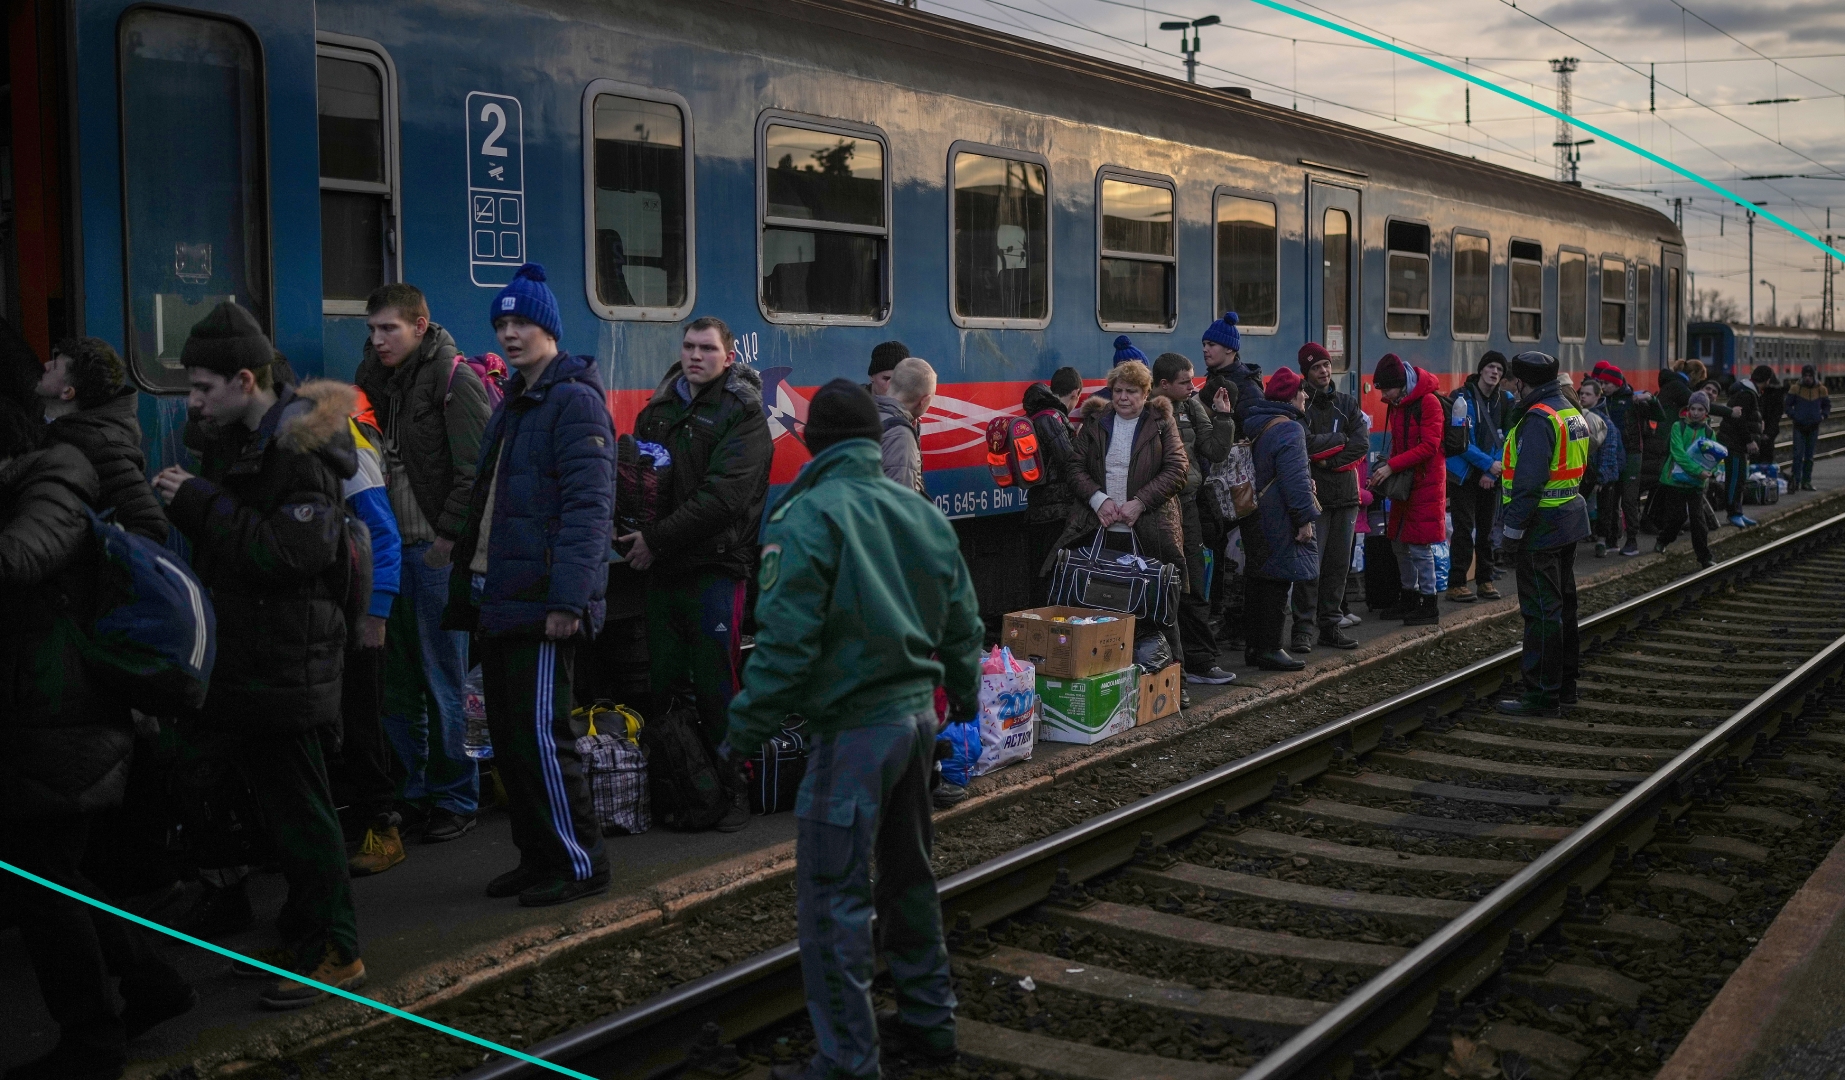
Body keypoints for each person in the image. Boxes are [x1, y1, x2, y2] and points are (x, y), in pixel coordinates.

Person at [722, 380, 982, 1080]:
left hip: (853, 730)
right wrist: (961, 697)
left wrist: (742, 735)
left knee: (833, 900)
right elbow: (963, 626)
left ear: (812, 441)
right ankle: (931, 1025)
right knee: (910, 880)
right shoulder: (918, 512)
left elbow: (784, 649)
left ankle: (846, 1062)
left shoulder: (806, 516)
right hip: (917, 723)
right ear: (873, 441)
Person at [151, 302, 364, 1008]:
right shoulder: (246, 440)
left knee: (302, 812)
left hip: (288, 660)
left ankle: (337, 950)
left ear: (246, 380)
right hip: (254, 656)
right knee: (270, 806)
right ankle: (304, 934)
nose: (193, 402)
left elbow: (288, 554)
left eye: (204, 388)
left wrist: (200, 503)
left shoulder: (299, 452)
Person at [0, 402, 196, 1078]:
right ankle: (150, 986)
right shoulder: (31, 477)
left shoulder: (52, 479)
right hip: (44, 708)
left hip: (61, 712)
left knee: (42, 883)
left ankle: (92, 1041)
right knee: (52, 876)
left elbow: (17, 561)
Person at [444, 262, 613, 906]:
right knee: (512, 743)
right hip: (501, 595)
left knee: (544, 738)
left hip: (544, 600)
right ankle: (538, 855)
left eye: (523, 322)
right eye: (502, 323)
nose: (510, 333)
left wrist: (569, 599)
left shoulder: (572, 400)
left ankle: (580, 864)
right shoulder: (515, 399)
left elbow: (588, 509)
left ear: (549, 328)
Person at [353, 283, 491, 850]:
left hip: (433, 555)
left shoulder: (455, 381)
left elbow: (474, 474)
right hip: (390, 554)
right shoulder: (372, 380)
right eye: (372, 330)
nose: (378, 340)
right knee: (398, 688)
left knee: (444, 683)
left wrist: (446, 543)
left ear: (420, 325)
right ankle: (411, 795)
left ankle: (456, 797)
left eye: (389, 329)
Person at [629, 316, 774, 832]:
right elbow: (642, 480)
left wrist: (654, 539)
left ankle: (734, 788)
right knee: (665, 682)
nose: (696, 356)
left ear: (728, 356)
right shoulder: (660, 408)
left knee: (718, 683)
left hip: (716, 566)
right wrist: (632, 530)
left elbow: (724, 498)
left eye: (707, 348)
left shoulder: (744, 414)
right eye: (689, 346)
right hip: (666, 568)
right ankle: (682, 787)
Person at [1051, 359, 1189, 681]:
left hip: (1149, 529)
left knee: (1158, 606)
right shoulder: (1097, 421)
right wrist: (1099, 499)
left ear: (1145, 393)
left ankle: (1172, 680)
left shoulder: (1161, 423)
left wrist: (1140, 502)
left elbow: (1177, 469)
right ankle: (1111, 677)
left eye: (1131, 391)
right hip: (1101, 527)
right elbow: (1074, 468)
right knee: (1103, 603)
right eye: (1117, 391)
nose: (1123, 398)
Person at [1495, 351, 1592, 718]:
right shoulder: (1568, 410)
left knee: (1541, 614)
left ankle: (1540, 695)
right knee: (1563, 610)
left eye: (1513, 381)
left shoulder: (1538, 419)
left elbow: (1528, 484)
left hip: (1540, 529)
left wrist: (1511, 535)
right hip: (1568, 520)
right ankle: (1565, 687)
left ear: (1521, 382)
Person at [339, 389, 405, 876]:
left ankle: (383, 829)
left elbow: (381, 531)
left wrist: (376, 611)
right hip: (330, 605)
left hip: (354, 605)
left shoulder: (343, 440)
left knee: (362, 719)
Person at [1151, 351, 1237, 685]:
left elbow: (1215, 451)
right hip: (1158, 508)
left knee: (1195, 581)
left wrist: (1224, 418)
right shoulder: (1149, 413)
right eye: (1185, 382)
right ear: (1163, 385)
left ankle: (1200, 660)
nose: (1193, 386)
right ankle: (1170, 663)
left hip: (1189, 505)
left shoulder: (1190, 405)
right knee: (1165, 583)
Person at [34, 336, 168, 542]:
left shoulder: (100, 445)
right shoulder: (61, 427)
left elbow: (149, 523)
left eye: (54, 367)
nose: (46, 365)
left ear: (67, 392)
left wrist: (96, 567)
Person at [1238, 367, 1319, 671]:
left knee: (1257, 577)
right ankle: (1271, 648)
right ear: (1291, 395)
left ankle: (1254, 647)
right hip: (1278, 514)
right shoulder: (1289, 429)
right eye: (1302, 390)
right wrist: (1304, 519)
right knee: (1277, 579)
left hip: (1253, 511)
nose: (1306, 396)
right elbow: (1295, 480)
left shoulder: (1257, 422)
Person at [1291, 342, 1365, 651]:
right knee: (1310, 568)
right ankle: (1302, 630)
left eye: (1325, 364)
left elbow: (1360, 445)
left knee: (1337, 567)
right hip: (1315, 499)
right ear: (1306, 373)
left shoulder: (1347, 403)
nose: (1323, 371)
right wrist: (1338, 440)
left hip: (1346, 497)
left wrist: (1328, 461)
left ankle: (1330, 626)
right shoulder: (1300, 406)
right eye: (1316, 367)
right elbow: (1302, 444)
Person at [1367, 353, 1446, 627]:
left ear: (1400, 383)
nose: (1384, 395)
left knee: (1420, 545)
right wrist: (1385, 471)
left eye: (1386, 388)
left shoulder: (1429, 402)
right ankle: (1409, 596)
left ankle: (1429, 602)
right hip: (1404, 482)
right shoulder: (1399, 403)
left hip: (1425, 482)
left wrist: (1391, 467)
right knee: (1399, 540)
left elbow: (1430, 446)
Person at [1444, 351, 1508, 602]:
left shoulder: (1506, 401)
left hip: (1490, 474)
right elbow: (1461, 441)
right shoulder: (1461, 398)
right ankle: (1457, 583)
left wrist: (1494, 468)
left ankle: (1485, 580)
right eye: (1491, 367)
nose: (1495, 372)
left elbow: (1509, 436)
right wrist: (1488, 466)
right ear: (1481, 370)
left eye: (1500, 370)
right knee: (1463, 529)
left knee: (1486, 531)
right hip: (1465, 475)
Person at [1023, 367, 1082, 606]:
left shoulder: (1039, 415)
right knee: (1047, 573)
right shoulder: (1052, 418)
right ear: (1076, 393)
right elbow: (1068, 461)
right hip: (1053, 511)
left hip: (1041, 506)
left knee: (1041, 571)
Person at [1652, 390, 1721, 568]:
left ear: (1706, 412)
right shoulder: (1678, 427)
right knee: (1676, 517)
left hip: (1696, 485)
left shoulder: (1708, 432)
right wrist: (1698, 470)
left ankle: (1704, 557)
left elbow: (1714, 457)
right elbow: (1678, 453)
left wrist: (1712, 470)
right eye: (1693, 408)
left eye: (1700, 409)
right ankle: (1663, 540)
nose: (1696, 413)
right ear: (1688, 409)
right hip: (1674, 481)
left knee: (1699, 521)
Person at [1587, 361, 1648, 556]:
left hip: (1631, 453)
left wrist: (1649, 399)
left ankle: (1632, 540)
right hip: (1613, 454)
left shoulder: (1632, 400)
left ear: (1617, 383)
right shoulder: (1605, 403)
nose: (1603, 387)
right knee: (1611, 498)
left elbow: (1657, 415)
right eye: (1601, 383)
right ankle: (1612, 538)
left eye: (1606, 383)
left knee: (1629, 499)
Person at [1576, 378, 1624, 558]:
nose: (1583, 397)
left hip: (1599, 471)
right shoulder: (1579, 415)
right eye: (1581, 393)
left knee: (1606, 506)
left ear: (1597, 396)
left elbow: (1609, 450)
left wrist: (1602, 476)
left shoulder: (1604, 421)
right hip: (1584, 471)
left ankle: (1602, 541)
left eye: (1587, 394)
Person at [876, 356, 934, 494]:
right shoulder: (900, 435)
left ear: (891, 384)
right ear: (924, 401)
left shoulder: (868, 412)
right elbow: (900, 505)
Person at [1718, 369, 1762, 527]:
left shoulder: (1746, 393)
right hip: (1734, 444)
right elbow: (1739, 420)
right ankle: (1732, 513)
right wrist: (1749, 440)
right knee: (1735, 479)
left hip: (1738, 445)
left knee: (1740, 479)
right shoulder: (1746, 395)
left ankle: (1738, 511)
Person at [1786, 364, 1831, 491]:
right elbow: (1787, 405)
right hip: (1799, 426)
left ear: (1813, 376)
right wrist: (1794, 416)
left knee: (1809, 456)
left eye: (1810, 376)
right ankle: (1795, 481)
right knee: (1797, 455)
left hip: (1814, 426)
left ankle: (1806, 481)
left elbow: (1827, 405)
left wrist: (1823, 416)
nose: (1807, 378)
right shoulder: (1796, 389)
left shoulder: (1821, 389)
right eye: (1805, 375)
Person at [1755, 365, 1787, 466]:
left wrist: (1767, 433)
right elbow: (1777, 416)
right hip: (1762, 432)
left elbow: (1776, 416)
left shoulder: (1758, 392)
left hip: (1764, 432)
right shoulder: (1777, 392)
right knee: (1765, 459)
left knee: (1760, 459)